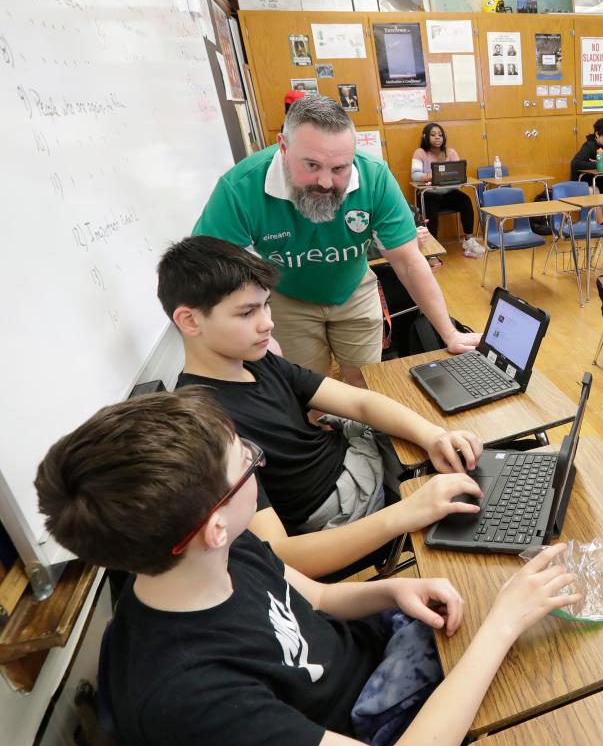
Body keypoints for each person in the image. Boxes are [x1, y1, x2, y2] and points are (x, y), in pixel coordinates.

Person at [35, 388, 581, 746]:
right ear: (213, 526)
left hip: (375, 671)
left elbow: (313, 601)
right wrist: (503, 624)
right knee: (562, 736)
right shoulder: (188, 695)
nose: (256, 459)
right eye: (245, 461)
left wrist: (393, 590)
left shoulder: (211, 554)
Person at [159, 236, 484, 579]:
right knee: (487, 502)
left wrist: (432, 437)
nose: (267, 323)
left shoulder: (256, 361)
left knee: (471, 446)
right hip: (350, 510)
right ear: (190, 321)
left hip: (360, 465)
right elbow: (281, 557)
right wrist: (408, 511)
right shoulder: (204, 428)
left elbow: (359, 400)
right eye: (247, 312)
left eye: (266, 305)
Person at [193, 95, 480, 389]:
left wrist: (450, 334)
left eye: (340, 168)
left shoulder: (374, 176)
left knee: (366, 382)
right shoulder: (240, 188)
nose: (326, 182)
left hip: (353, 288)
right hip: (287, 297)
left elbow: (408, 261)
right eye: (312, 165)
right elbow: (206, 274)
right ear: (283, 146)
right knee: (307, 390)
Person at [410, 122, 482, 256]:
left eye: (440, 135)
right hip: (428, 193)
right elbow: (414, 175)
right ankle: (432, 246)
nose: (437, 137)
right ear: (426, 137)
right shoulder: (420, 153)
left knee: (465, 201)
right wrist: (429, 176)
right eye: (433, 135)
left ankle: (469, 240)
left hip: (448, 192)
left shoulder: (450, 152)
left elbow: (460, 173)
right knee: (431, 209)